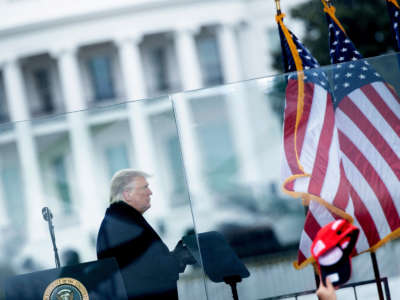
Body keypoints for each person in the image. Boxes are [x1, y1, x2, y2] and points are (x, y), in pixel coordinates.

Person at [96, 169, 193, 300]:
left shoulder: (121, 220)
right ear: (127, 194)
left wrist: (176, 256)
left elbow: (143, 265)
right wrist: (178, 257)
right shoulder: (123, 225)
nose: (150, 192)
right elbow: (149, 271)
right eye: (144, 188)